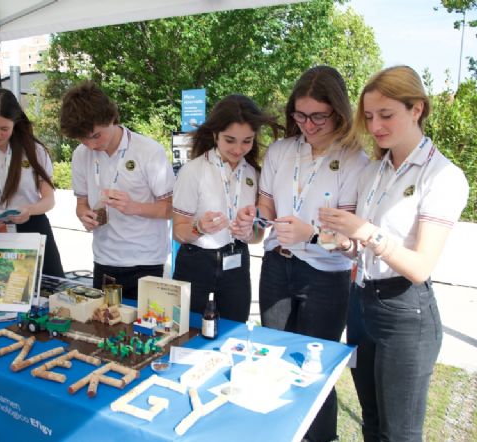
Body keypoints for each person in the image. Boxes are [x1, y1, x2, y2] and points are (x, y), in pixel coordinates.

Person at [319, 66, 468, 442]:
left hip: (406, 311)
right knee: (371, 422)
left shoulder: (442, 177)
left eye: (386, 115)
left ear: (416, 109)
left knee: (398, 434)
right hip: (362, 302)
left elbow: (420, 266)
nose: (375, 126)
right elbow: (366, 250)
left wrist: (364, 231)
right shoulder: (375, 170)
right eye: (368, 117)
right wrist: (345, 242)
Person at [233, 66, 369, 441]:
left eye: (317, 116)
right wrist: (253, 221)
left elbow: (351, 244)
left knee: (315, 370)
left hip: (326, 277)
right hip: (277, 266)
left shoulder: (356, 162)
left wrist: (310, 236)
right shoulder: (281, 151)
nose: (307, 124)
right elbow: (266, 211)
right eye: (299, 115)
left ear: (339, 112)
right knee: (273, 359)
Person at [60, 81, 175, 300]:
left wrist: (134, 207)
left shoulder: (148, 151)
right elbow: (81, 203)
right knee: (105, 326)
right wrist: (84, 215)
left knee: (145, 330)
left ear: (111, 117)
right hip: (104, 261)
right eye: (83, 139)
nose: (91, 145)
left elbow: (172, 208)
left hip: (146, 261)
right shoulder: (80, 155)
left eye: (96, 136)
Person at [172, 94, 279, 322]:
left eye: (247, 141)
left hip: (237, 261)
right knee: (189, 332)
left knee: (234, 333)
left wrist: (250, 232)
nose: (238, 149)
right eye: (230, 140)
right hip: (196, 262)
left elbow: (259, 234)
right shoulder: (193, 171)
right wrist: (199, 227)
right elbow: (178, 231)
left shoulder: (253, 174)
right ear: (215, 135)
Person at [0, 88, 65, 277]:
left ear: (15, 124)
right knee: (1, 292)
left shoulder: (34, 151)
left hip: (34, 228)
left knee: (50, 293)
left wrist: (29, 210)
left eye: (4, 129)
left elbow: (49, 200)